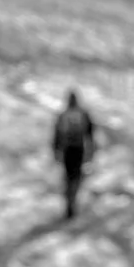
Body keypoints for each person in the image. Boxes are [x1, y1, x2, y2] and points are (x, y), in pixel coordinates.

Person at [50, 89, 97, 220]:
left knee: (68, 176)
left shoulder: (63, 114)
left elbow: (56, 135)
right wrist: (92, 150)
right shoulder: (83, 114)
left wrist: (55, 150)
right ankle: (72, 200)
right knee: (76, 176)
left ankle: (69, 202)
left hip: (67, 150)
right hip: (78, 149)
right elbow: (90, 133)